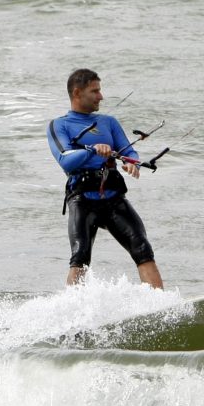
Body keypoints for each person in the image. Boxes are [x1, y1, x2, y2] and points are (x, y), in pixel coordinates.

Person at [47, 68, 164, 289]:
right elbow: (65, 159)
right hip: (82, 199)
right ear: (77, 93)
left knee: (142, 247)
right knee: (80, 257)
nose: (101, 96)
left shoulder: (108, 122)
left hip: (113, 197)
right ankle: (73, 309)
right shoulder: (59, 125)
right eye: (95, 91)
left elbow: (128, 151)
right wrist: (92, 150)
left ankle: (161, 303)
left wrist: (131, 162)